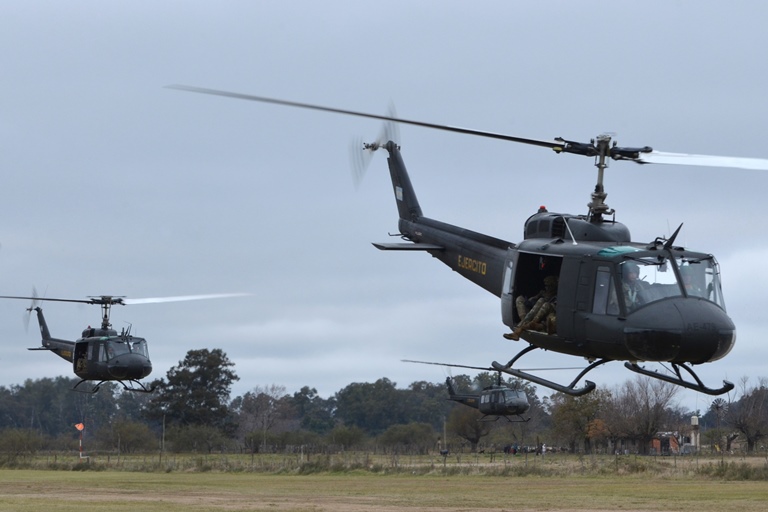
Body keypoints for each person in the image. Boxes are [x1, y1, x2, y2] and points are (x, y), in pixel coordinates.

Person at [504, 275, 558, 340]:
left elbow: (554, 307)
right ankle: (524, 322)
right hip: (533, 313)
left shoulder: (556, 295)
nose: (547, 288)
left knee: (543, 302)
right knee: (520, 298)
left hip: (545, 316)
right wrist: (536, 297)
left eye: (549, 286)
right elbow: (531, 300)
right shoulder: (543, 293)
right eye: (546, 286)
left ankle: (524, 326)